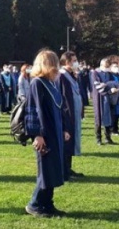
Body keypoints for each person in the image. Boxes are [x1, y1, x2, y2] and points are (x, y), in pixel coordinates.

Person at [25, 50, 70, 217]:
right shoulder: (37, 83)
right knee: (45, 171)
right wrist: (36, 134)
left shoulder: (52, 83)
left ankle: (48, 204)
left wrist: (64, 128)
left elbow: (60, 109)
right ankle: (35, 204)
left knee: (53, 169)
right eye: (55, 63)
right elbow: (32, 110)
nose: (57, 67)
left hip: (55, 133)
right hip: (45, 134)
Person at [58, 52, 84, 181]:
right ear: (67, 62)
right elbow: (64, 98)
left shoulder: (72, 75)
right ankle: (64, 171)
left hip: (74, 114)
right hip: (67, 115)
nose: (76, 62)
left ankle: (68, 168)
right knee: (66, 142)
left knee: (72, 141)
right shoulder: (62, 76)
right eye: (74, 60)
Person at [91, 58, 116, 145]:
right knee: (99, 117)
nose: (107, 68)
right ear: (101, 65)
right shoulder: (95, 73)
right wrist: (109, 88)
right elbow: (98, 85)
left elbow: (114, 82)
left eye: (108, 66)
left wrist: (112, 87)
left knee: (108, 117)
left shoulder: (109, 73)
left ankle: (108, 138)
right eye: (106, 66)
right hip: (99, 98)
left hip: (108, 98)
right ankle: (98, 139)